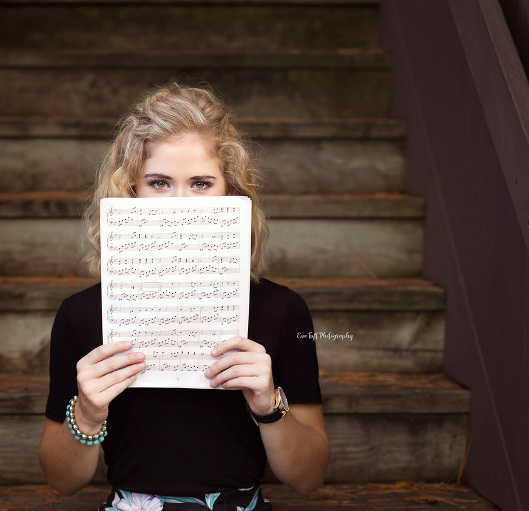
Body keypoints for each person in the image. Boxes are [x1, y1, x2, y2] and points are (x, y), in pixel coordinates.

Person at [38, 83, 330, 510]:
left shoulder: (283, 311)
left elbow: (308, 478)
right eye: (158, 182)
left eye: (200, 183)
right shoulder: (81, 315)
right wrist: (86, 414)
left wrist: (269, 404)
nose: (179, 204)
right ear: (130, 191)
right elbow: (62, 482)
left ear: (231, 194)